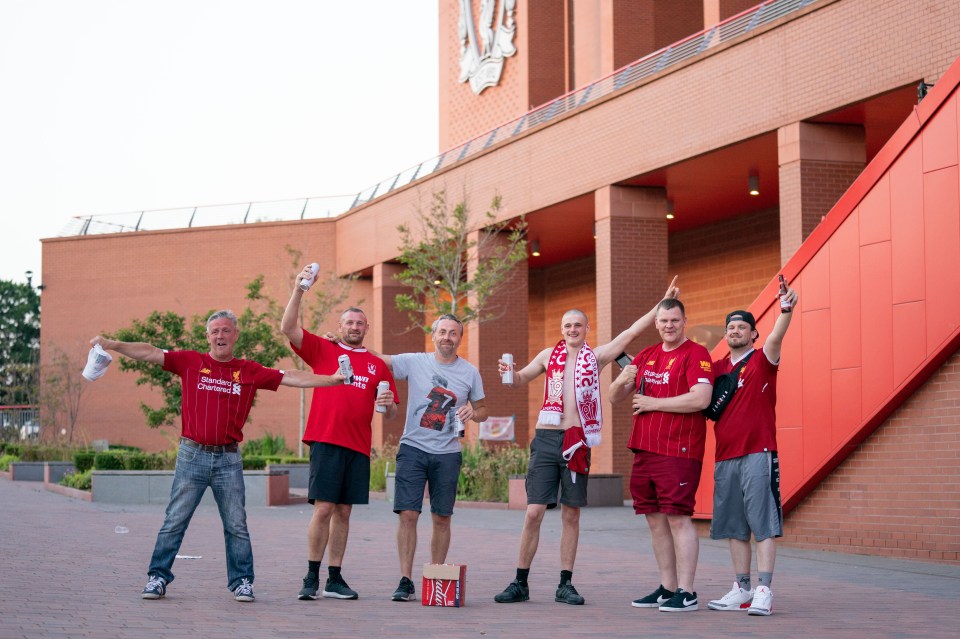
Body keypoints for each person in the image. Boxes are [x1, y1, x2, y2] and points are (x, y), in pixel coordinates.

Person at [91, 310, 344, 603]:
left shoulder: (248, 370)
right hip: (191, 456)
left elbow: (290, 377)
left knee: (236, 523)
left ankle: (242, 583)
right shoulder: (190, 362)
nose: (220, 336)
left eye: (226, 330)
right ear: (207, 336)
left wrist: (332, 380)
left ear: (235, 335)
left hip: (228, 459)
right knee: (175, 520)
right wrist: (111, 343)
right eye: (215, 331)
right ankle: (157, 577)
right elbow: (148, 352)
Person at [493, 278, 680, 606]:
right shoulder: (548, 355)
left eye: (578, 324)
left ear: (587, 328)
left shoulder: (597, 356)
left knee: (571, 513)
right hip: (547, 437)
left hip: (578, 440)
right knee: (534, 511)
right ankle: (520, 581)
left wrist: (661, 305)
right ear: (562, 329)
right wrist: (508, 375)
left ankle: (565, 583)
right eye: (567, 325)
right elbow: (519, 379)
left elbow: (631, 332)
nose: (572, 329)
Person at [282, 266, 399, 602]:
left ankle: (335, 578)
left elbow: (389, 413)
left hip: (358, 447)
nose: (354, 327)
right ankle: (310, 576)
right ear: (340, 327)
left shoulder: (377, 366)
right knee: (323, 509)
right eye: (349, 322)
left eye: (360, 324)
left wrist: (389, 404)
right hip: (326, 439)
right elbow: (287, 327)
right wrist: (299, 289)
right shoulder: (325, 350)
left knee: (344, 512)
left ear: (366, 329)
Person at [371, 314, 487, 602]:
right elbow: (379, 359)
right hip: (413, 448)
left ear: (460, 338)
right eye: (443, 332)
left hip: (448, 453)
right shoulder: (415, 361)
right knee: (408, 514)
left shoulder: (470, 372)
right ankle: (405, 579)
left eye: (453, 333)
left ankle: (436, 576)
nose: (447, 337)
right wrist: (345, 346)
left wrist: (475, 413)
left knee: (442, 517)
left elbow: (483, 409)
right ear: (433, 335)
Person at [609, 298, 714, 612]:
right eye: (664, 321)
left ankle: (688, 591)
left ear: (684, 321)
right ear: (656, 323)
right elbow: (615, 398)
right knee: (655, 521)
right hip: (644, 449)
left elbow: (701, 398)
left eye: (674, 320)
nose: (669, 326)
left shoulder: (697, 354)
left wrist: (653, 403)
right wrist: (622, 379)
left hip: (678, 450)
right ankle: (668, 588)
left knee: (678, 519)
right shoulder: (646, 355)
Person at [706, 285, 797, 617]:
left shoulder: (763, 359)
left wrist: (785, 310)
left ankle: (764, 590)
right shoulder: (716, 368)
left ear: (753, 333)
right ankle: (742, 588)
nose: (734, 331)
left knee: (763, 524)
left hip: (759, 452)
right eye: (730, 327)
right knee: (734, 526)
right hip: (725, 456)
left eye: (741, 327)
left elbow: (777, 335)